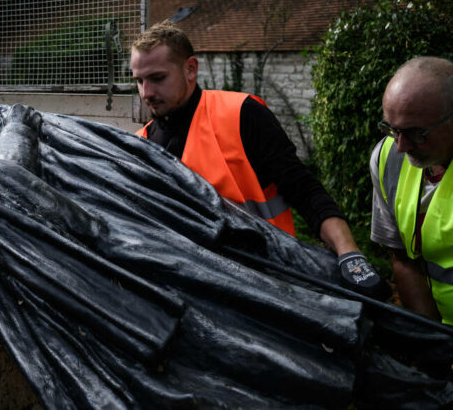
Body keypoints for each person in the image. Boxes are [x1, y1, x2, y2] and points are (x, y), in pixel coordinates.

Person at [0, 87, 453, 409]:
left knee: (319, 301)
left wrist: (212, 212)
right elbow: (20, 193)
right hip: (137, 278)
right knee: (288, 346)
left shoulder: (10, 124)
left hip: (190, 234)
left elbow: (140, 159)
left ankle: (433, 369)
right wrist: (17, 123)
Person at [131, 20, 388, 300]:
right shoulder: (140, 144)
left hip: (267, 283)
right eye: (139, 80)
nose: (147, 93)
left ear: (190, 69)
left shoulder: (241, 114)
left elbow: (303, 189)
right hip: (192, 291)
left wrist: (349, 253)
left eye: (157, 78)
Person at [371, 56, 453, 324]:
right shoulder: (387, 159)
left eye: (417, 133)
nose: (401, 147)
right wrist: (434, 345)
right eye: (392, 130)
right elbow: (404, 260)